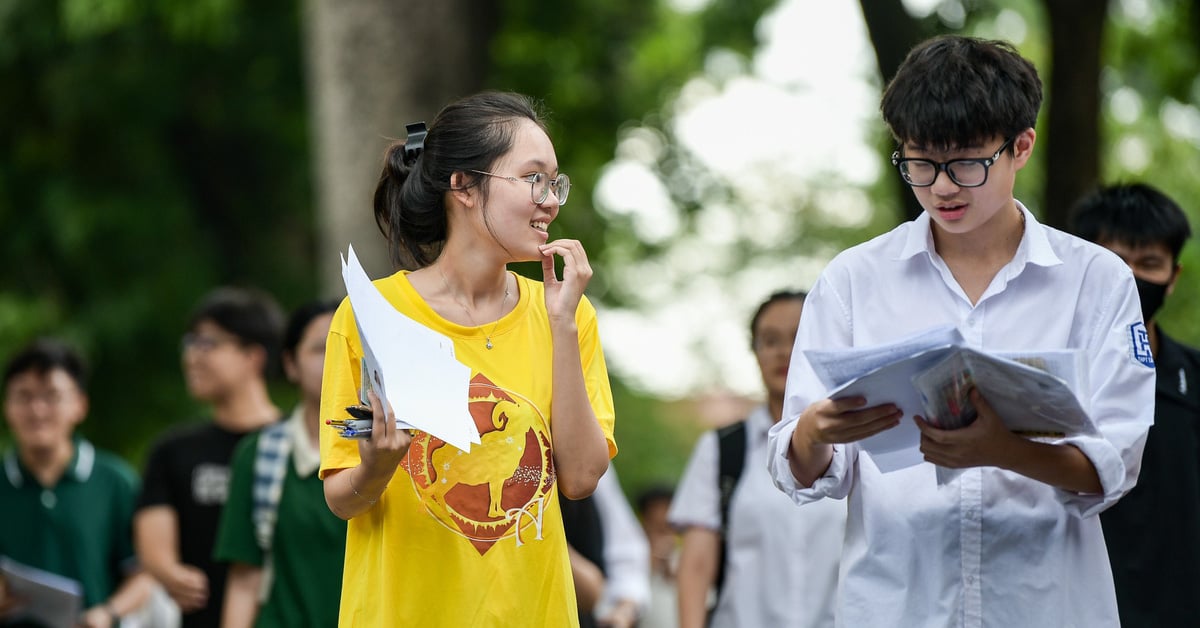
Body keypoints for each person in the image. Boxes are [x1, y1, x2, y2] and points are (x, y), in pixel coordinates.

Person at [766, 35, 1155, 628]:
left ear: (1021, 146)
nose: (942, 186)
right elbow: (802, 465)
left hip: (1046, 604)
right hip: (896, 605)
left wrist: (1006, 450)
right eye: (920, 161)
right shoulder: (853, 280)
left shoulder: (1095, 281)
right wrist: (815, 431)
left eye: (966, 161)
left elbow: (1117, 464)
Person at [319, 90, 615, 627]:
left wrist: (563, 324)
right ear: (463, 186)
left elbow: (580, 477)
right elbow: (342, 499)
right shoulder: (372, 314)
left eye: (555, 183)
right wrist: (378, 463)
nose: (550, 200)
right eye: (532, 179)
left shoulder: (568, 314)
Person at [670, 291, 844, 628]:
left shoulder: (858, 442)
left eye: (798, 336)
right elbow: (696, 565)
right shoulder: (722, 448)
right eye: (769, 340)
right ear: (754, 352)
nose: (783, 351)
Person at [1069, 182, 1200, 626]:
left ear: (1173, 276)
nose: (1130, 278)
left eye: (1149, 264)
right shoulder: (1046, 379)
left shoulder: (1194, 380)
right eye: (1116, 262)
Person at [135, 287, 284, 628]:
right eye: (189, 344)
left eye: (208, 344)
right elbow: (154, 542)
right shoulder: (173, 451)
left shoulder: (295, 445)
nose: (192, 357)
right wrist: (170, 574)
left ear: (253, 357)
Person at [0, 339, 154, 627]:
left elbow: (144, 573)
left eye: (51, 396)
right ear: (7, 406)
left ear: (79, 405)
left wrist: (108, 613)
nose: (37, 410)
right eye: (24, 396)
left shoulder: (115, 481)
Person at [213, 299, 346, 627]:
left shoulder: (392, 453)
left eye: (348, 345)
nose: (337, 358)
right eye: (320, 347)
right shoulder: (259, 455)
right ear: (290, 364)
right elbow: (245, 581)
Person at [634, 485, 677, 628]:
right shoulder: (630, 562)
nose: (664, 538)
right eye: (658, 529)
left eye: (668, 528)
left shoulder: (687, 561)